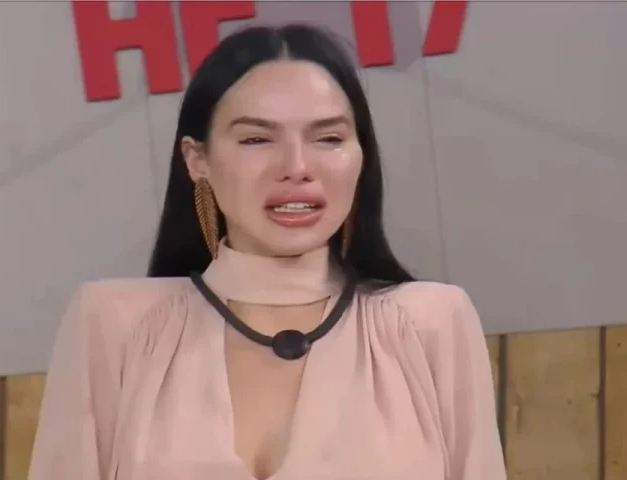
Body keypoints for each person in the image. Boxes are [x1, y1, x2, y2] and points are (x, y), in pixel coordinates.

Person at [27, 23, 506, 480]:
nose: (296, 167)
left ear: (362, 155)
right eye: (257, 139)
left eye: (329, 139)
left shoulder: (431, 322)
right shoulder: (113, 323)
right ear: (197, 159)